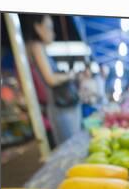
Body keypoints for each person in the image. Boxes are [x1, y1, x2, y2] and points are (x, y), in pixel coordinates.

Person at [20, 14, 82, 145]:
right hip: (58, 104)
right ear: (37, 27)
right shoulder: (37, 46)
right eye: (49, 27)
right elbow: (51, 79)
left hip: (56, 104)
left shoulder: (37, 48)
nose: (52, 33)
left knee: (68, 144)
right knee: (69, 145)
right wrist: (69, 76)